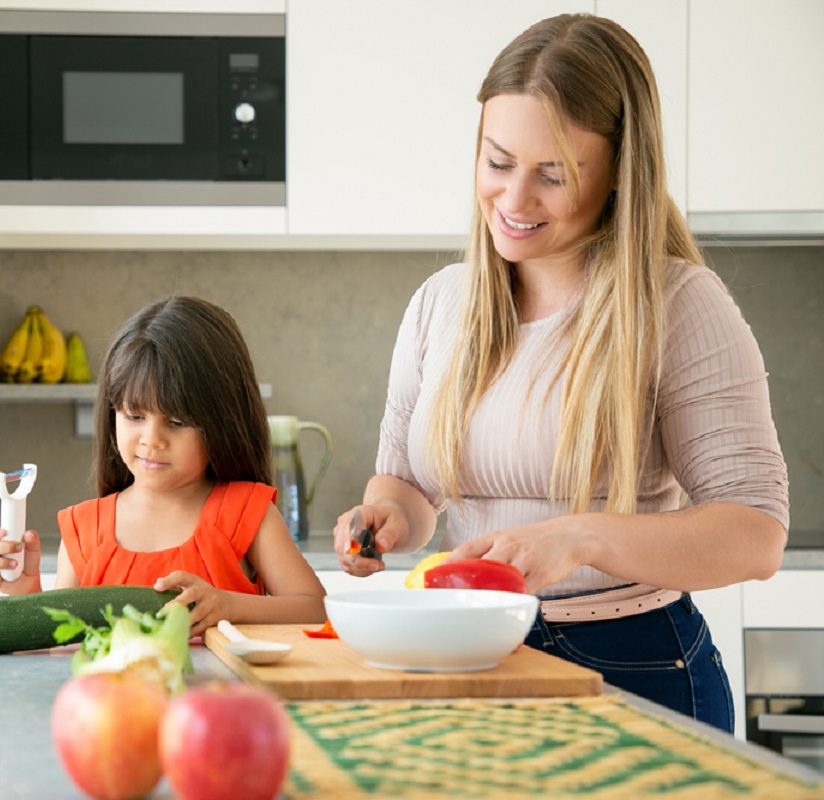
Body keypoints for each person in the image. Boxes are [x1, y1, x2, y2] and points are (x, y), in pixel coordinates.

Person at [334, 13, 788, 733]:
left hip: (630, 662)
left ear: (618, 174)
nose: (514, 201)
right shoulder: (438, 305)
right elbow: (412, 489)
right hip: (469, 649)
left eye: (554, 175)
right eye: (498, 161)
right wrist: (387, 518)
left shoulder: (678, 305)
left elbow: (756, 535)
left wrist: (578, 538)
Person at [0, 295, 326, 636]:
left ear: (222, 422)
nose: (151, 438)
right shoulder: (84, 530)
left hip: (224, 696)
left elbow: (316, 609)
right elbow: (60, 647)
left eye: (176, 422)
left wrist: (229, 606)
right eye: (134, 416)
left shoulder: (247, 512)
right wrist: (26, 595)